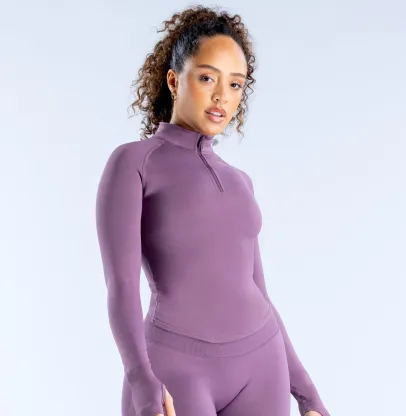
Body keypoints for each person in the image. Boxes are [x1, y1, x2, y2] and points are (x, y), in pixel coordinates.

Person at [95, 5, 330, 416]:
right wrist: (142, 381)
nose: (222, 96)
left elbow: (258, 292)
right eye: (207, 78)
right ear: (174, 80)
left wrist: (309, 396)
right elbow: (122, 287)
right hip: (175, 369)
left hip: (263, 366)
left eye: (236, 84)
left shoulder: (240, 181)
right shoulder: (134, 163)